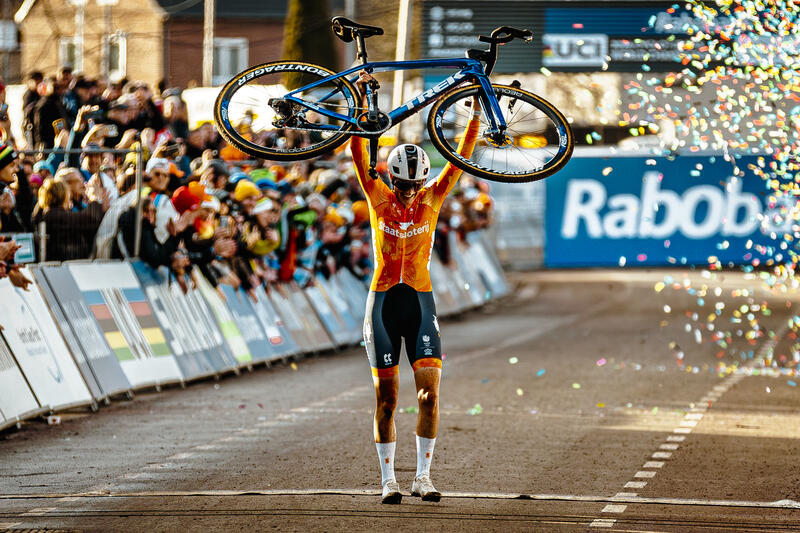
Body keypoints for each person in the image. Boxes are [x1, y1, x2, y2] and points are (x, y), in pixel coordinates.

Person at [351, 71, 481, 504]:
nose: (409, 193)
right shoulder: (376, 195)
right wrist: (361, 101)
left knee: (428, 394)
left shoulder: (433, 196)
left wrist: (475, 114)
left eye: (415, 186)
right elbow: (356, 147)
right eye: (403, 185)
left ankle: (422, 477)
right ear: (392, 180)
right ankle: (388, 480)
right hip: (383, 303)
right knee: (386, 399)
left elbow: (461, 157)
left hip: (420, 303)